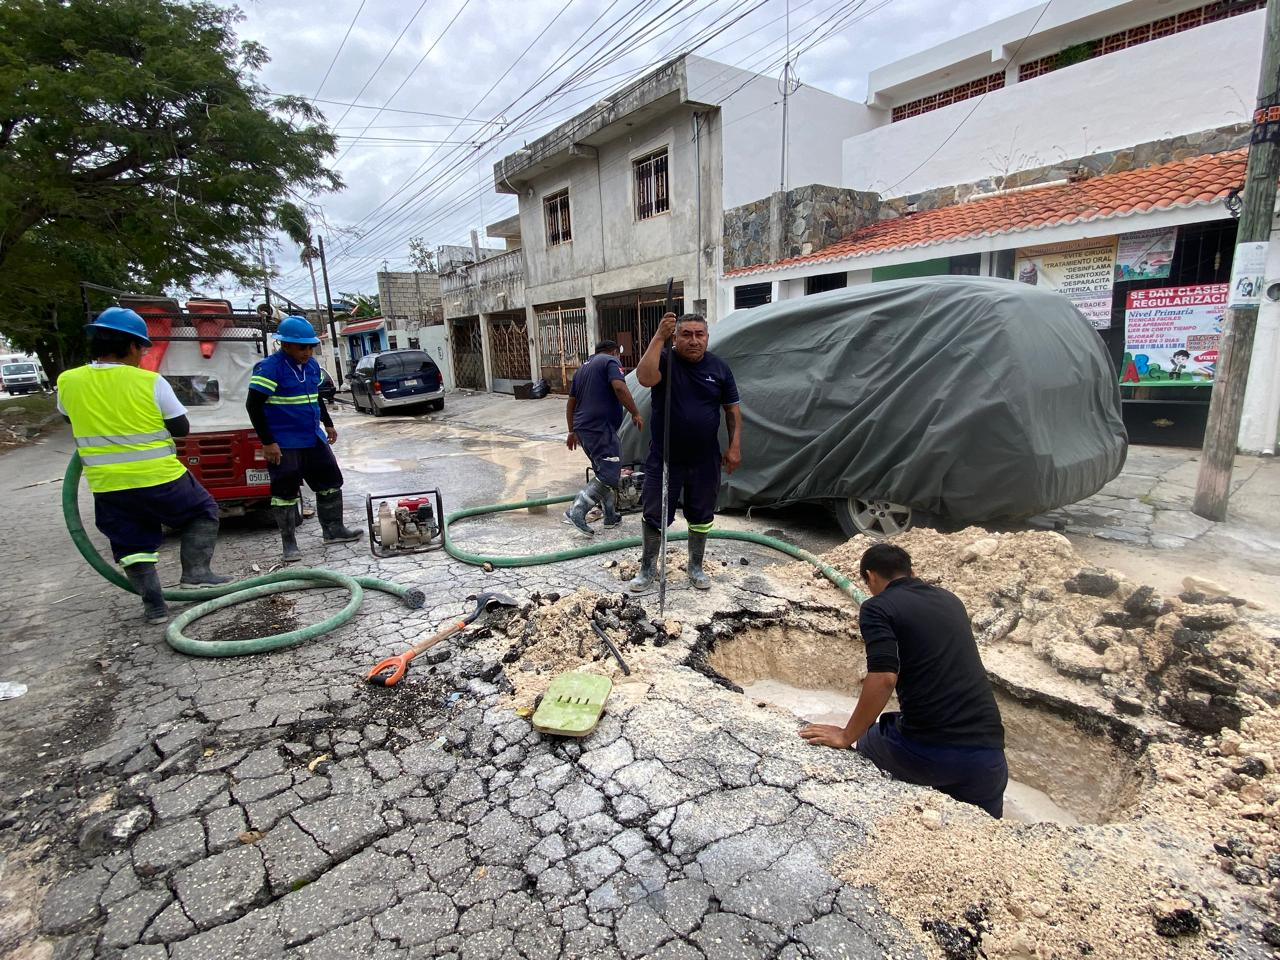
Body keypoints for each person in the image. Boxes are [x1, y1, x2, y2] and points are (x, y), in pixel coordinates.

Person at [798, 544, 1008, 818]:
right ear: (911, 572)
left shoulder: (877, 608)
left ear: (871, 576)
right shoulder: (951, 600)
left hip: (933, 752)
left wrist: (847, 735)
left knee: (871, 738)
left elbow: (884, 677)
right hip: (990, 758)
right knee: (984, 832)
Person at [57, 307, 230, 624]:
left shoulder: (68, 381)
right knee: (203, 511)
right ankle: (196, 573)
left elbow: (69, 417)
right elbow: (180, 428)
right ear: (132, 345)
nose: (142, 354)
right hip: (160, 478)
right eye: (142, 348)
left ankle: (155, 607)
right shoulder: (150, 381)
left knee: (131, 544)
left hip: (109, 485)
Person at [631, 312, 741, 592]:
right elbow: (644, 378)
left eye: (699, 334)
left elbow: (732, 410)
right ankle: (647, 569)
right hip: (665, 457)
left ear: (707, 337)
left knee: (702, 513)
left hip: (704, 458)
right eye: (686, 334)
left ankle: (695, 566)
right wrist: (659, 336)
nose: (694, 340)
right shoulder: (665, 360)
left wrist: (734, 446)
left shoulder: (719, 368)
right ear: (676, 338)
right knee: (654, 512)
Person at [246, 316, 361, 562]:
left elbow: (316, 396)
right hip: (284, 441)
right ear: (285, 344)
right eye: (302, 347)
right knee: (285, 491)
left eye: (310, 347)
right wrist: (268, 442)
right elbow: (253, 406)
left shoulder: (311, 367)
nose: (307, 352)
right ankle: (289, 544)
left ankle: (333, 530)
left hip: (312, 436)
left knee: (330, 481)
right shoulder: (269, 368)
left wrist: (327, 423)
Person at [563, 340, 643, 536]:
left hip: (584, 428)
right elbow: (619, 387)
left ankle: (610, 515)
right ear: (615, 352)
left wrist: (572, 431)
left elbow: (571, 402)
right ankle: (577, 510)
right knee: (609, 474)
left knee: (603, 471)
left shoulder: (582, 369)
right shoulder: (610, 361)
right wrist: (635, 412)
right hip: (599, 428)